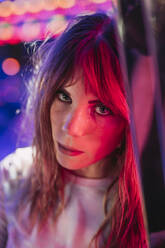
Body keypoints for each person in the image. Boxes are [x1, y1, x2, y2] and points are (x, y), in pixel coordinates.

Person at [0, 12, 149, 248]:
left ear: (130, 121)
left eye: (102, 108)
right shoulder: (14, 176)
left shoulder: (150, 210)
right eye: (63, 96)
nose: (72, 127)